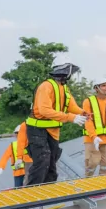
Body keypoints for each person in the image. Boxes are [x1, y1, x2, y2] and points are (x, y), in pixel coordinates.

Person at [24, 54, 88, 186]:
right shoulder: (46, 86)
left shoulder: (64, 88)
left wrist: (82, 113)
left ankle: (48, 194)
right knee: (42, 160)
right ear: (65, 71)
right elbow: (44, 110)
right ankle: (31, 196)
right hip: (37, 130)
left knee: (52, 163)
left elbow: (71, 106)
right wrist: (71, 118)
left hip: (52, 131)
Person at [0, 124, 33, 188]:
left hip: (28, 173)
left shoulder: (31, 143)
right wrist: (1, 167)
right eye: (17, 133)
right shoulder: (13, 145)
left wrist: (1, 167)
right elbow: (5, 157)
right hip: (20, 173)